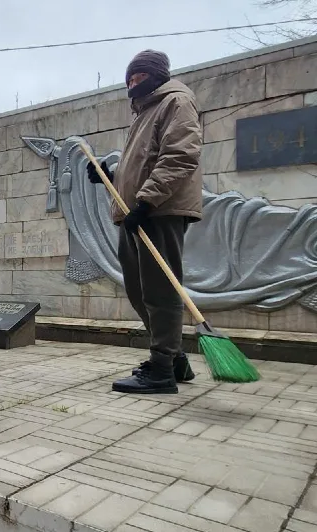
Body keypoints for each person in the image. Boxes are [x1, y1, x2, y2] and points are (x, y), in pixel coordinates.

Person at [86, 49, 203, 395]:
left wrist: (146, 201)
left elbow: (180, 156)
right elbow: (142, 164)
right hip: (136, 213)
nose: (133, 84)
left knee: (160, 290)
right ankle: (175, 357)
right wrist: (110, 176)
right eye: (129, 80)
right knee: (139, 290)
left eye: (139, 78)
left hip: (159, 211)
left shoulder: (176, 103)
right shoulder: (144, 112)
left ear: (157, 76)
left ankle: (162, 369)